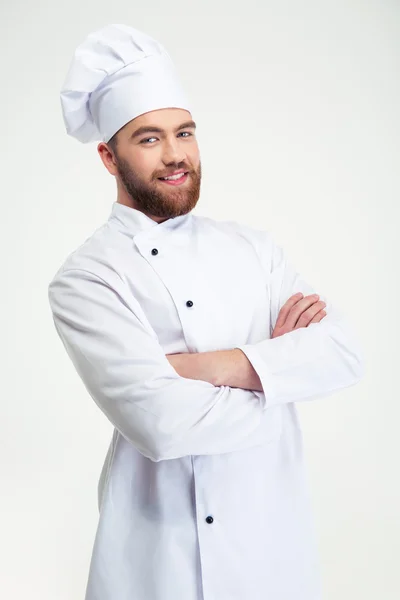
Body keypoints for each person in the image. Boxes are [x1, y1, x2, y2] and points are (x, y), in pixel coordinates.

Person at [48, 23, 365, 600]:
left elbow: (342, 354)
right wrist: (279, 380)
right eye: (148, 139)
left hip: (269, 549)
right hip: (154, 561)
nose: (175, 157)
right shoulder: (86, 277)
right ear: (107, 156)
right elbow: (162, 426)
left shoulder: (254, 249)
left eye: (185, 133)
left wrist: (197, 368)